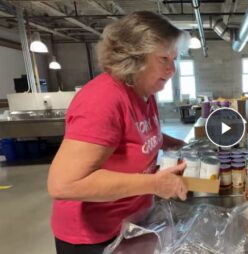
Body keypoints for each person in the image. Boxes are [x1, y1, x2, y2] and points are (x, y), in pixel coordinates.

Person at [47, 11, 189, 254]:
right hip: (92, 238)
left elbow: (130, 134)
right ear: (134, 58)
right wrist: (154, 184)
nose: (172, 69)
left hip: (130, 224)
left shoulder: (144, 91)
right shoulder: (103, 99)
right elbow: (64, 184)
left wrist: (168, 142)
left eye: (174, 59)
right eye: (164, 58)